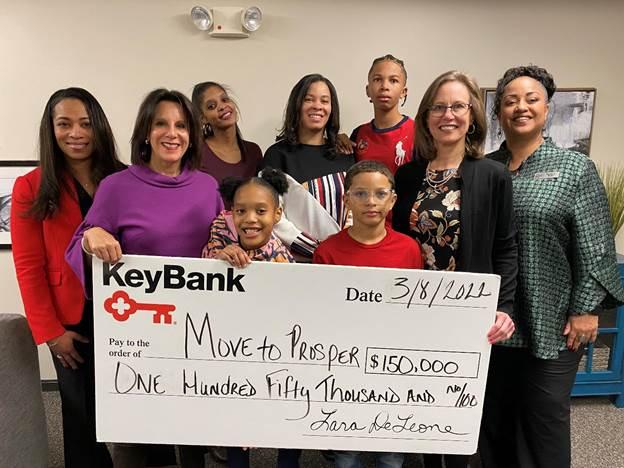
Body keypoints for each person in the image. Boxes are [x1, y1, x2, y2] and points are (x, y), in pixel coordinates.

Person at [65, 88, 224, 468]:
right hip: (135, 337)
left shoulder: (208, 187)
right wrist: (92, 237)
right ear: (146, 133)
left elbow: (221, 245)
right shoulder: (117, 187)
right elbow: (79, 245)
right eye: (161, 124)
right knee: (135, 441)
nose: (172, 133)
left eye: (182, 125)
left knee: (190, 437)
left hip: (194, 334)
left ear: (192, 134)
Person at [481, 65, 624, 468]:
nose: (520, 107)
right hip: (495, 319)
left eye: (531, 99)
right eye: (510, 101)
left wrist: (586, 310)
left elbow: (596, 245)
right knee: (493, 418)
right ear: (498, 112)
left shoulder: (574, 169)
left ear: (547, 109)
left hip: (554, 319)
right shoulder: (485, 169)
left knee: (543, 419)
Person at [391, 71, 518, 468]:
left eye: (458, 106)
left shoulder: (492, 174)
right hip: (413, 311)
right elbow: (394, 242)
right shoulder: (408, 175)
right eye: (439, 106)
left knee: (461, 410)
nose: (449, 114)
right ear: (427, 116)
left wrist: (505, 307)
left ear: (473, 116)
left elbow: (506, 247)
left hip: (468, 312)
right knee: (424, 405)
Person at [11, 87, 125, 467]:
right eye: (64, 124)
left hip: (127, 312)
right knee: (80, 416)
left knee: (128, 404)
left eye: (85, 123)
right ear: (51, 129)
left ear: (100, 128)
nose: (76, 133)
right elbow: (28, 266)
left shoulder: (123, 179)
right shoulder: (31, 185)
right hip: (69, 318)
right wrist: (51, 333)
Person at [313, 160, 422, 468]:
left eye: (379, 193)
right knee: (346, 457)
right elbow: (322, 312)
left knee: (390, 455)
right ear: (346, 200)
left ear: (393, 200)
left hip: (394, 364)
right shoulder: (327, 251)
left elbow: (415, 310)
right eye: (360, 194)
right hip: (344, 364)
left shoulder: (409, 249)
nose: (371, 202)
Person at [202, 168, 300, 468]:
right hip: (233, 352)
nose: (251, 219)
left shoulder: (285, 260)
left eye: (261, 211)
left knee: (285, 421)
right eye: (241, 211)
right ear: (231, 213)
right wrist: (220, 259)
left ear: (277, 213)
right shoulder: (218, 250)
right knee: (237, 421)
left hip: (279, 353)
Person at [261, 73, 355, 260]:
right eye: (309, 99)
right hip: (295, 261)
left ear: (332, 108)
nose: (318, 106)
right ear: (297, 105)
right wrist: (318, 251)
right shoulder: (277, 155)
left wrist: (340, 249)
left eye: (324, 101)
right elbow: (273, 214)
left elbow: (353, 209)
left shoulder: (345, 155)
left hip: (343, 258)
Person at [345, 54, 415, 174]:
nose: (384, 86)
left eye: (393, 81)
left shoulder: (417, 132)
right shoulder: (358, 135)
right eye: (377, 79)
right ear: (368, 90)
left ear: (403, 92)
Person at [191, 81, 262, 186]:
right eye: (211, 106)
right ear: (203, 119)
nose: (222, 107)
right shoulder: (197, 153)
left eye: (224, 100)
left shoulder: (253, 151)